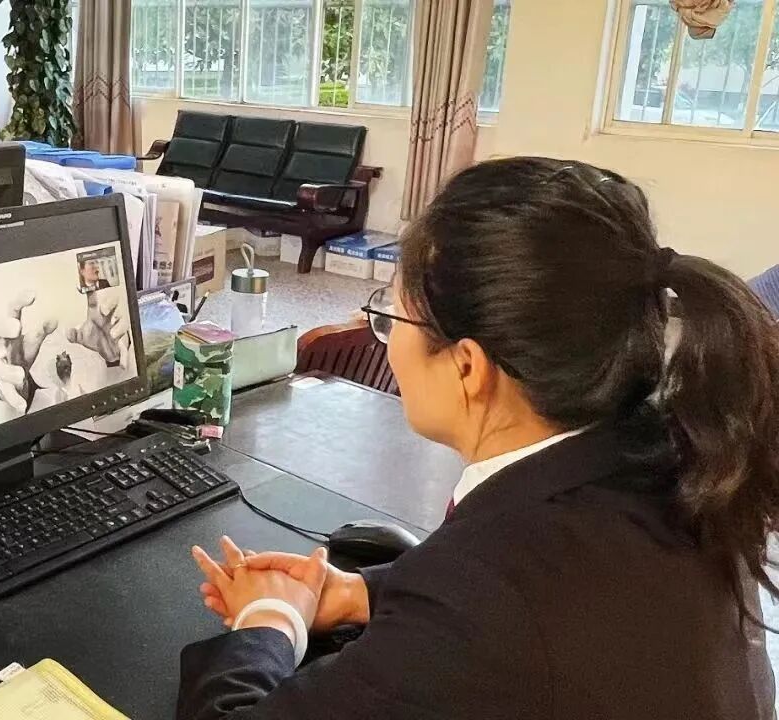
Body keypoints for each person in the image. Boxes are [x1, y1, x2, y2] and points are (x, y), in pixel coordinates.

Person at [179, 157, 779, 719]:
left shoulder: (485, 590)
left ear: (468, 365)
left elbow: (498, 605)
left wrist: (271, 617)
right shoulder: (675, 466)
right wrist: (364, 593)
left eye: (392, 318)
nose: (389, 343)